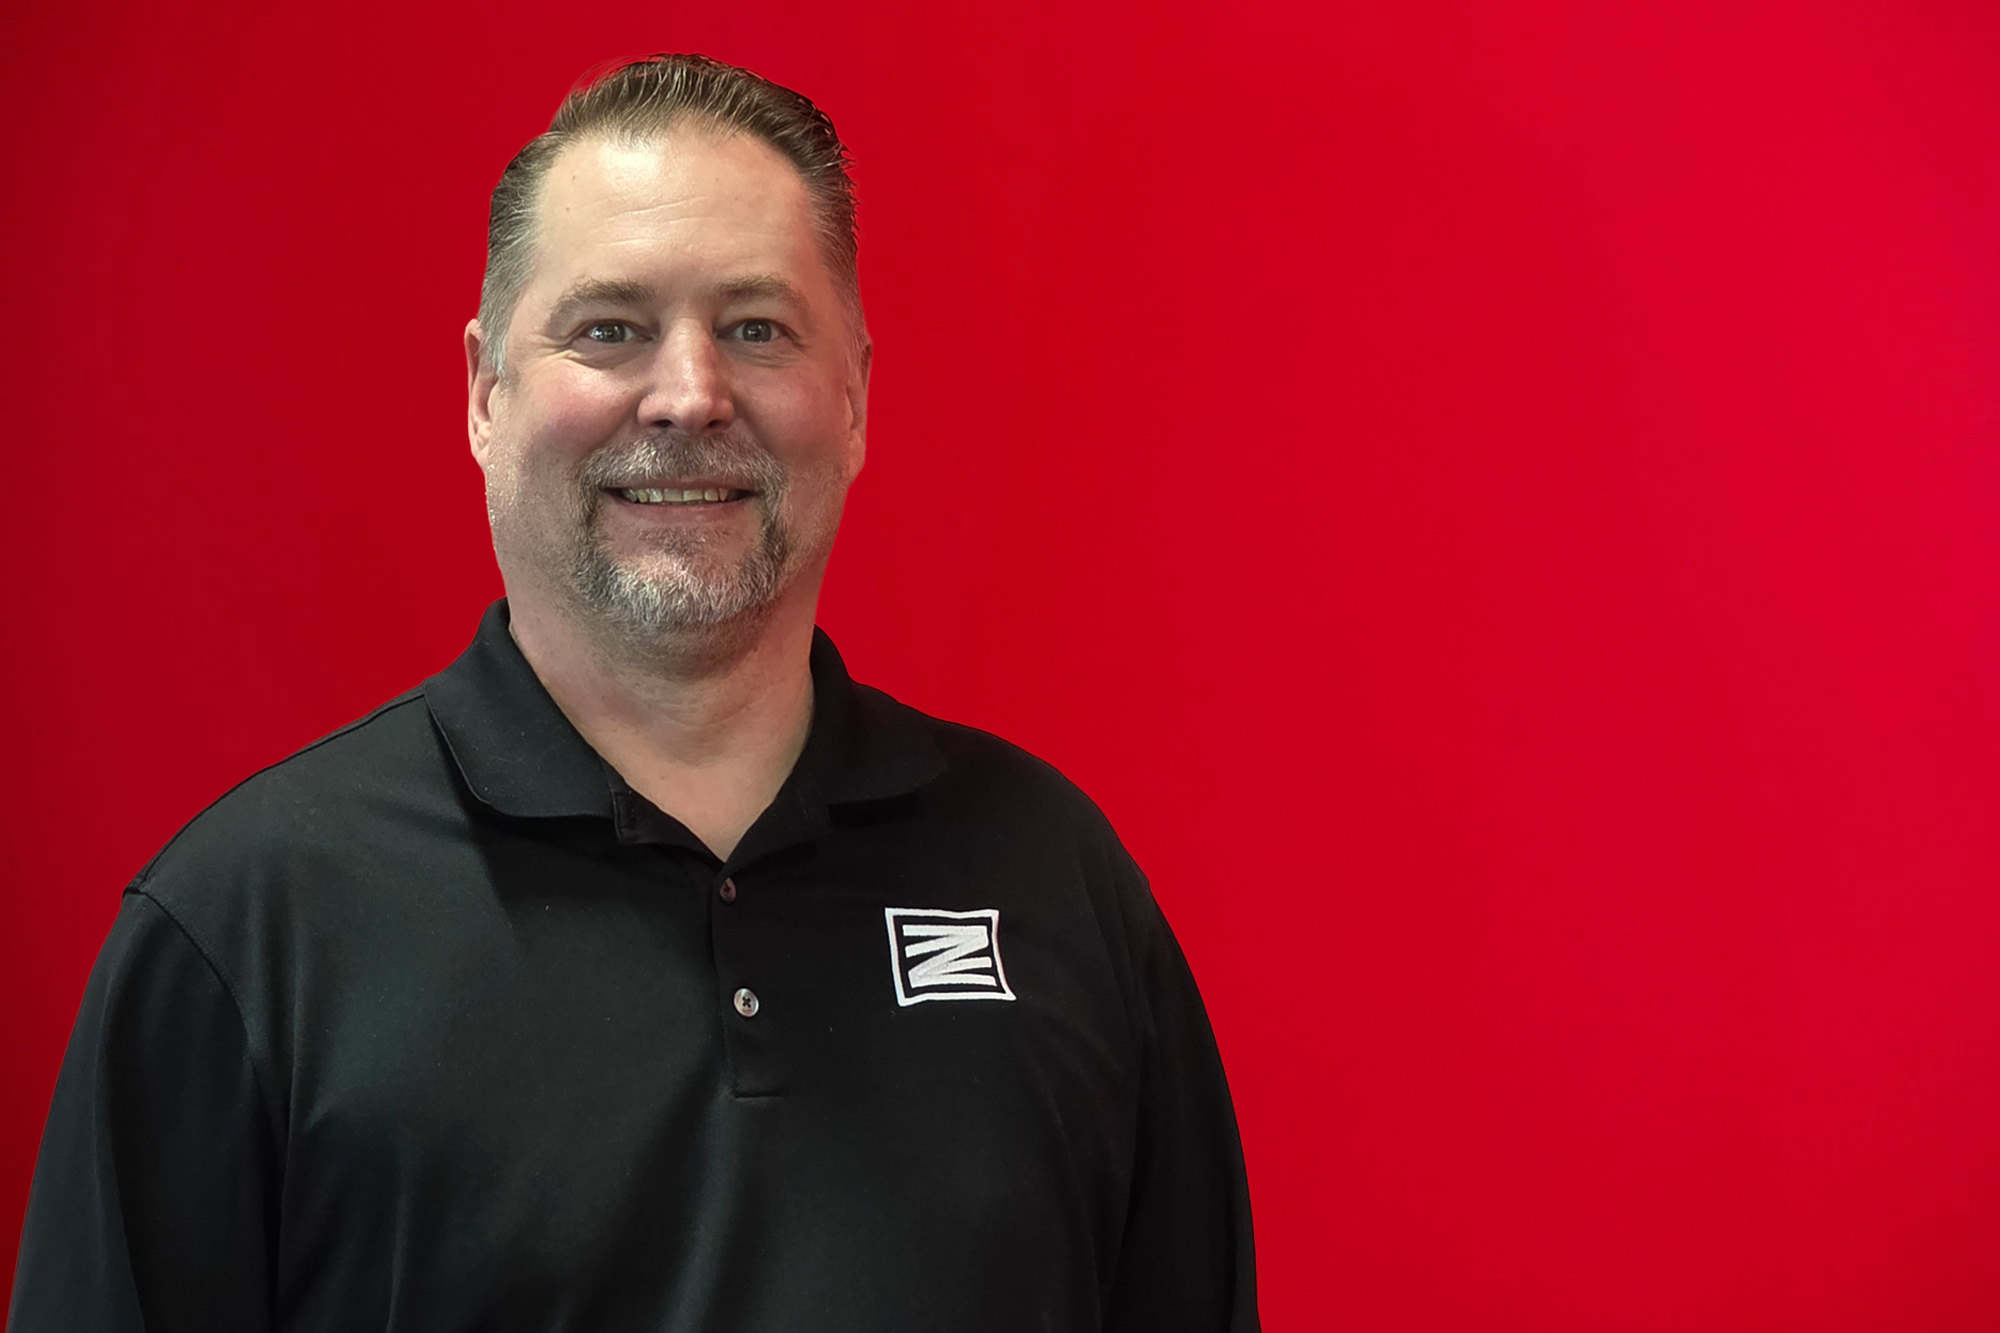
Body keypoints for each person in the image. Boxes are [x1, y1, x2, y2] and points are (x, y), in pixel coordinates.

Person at [7, 54, 1257, 1332]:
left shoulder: (1052, 877)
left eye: (756, 327)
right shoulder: (244, 929)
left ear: (857, 394)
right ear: (487, 391)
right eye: (609, 328)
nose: (689, 394)